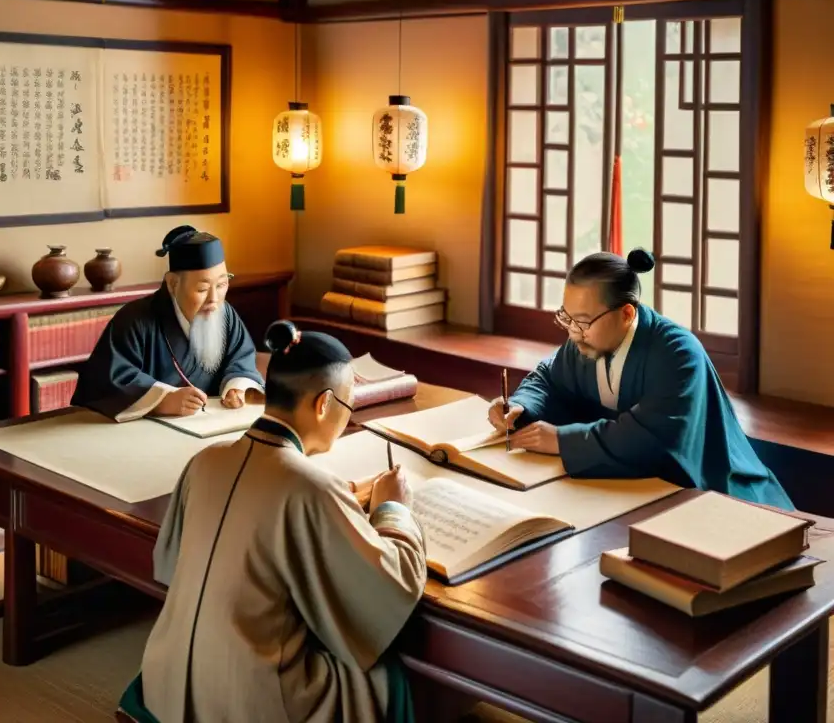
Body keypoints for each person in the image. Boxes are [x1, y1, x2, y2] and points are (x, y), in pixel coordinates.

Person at [117, 320, 426, 723]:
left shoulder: (205, 460)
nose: (347, 420)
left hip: (166, 678)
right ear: (324, 404)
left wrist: (337, 499)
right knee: (387, 675)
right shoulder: (312, 487)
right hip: (253, 700)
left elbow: (179, 563)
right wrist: (393, 510)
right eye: (349, 408)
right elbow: (391, 590)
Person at [488, 248, 793, 511]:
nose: (572, 332)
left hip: (718, 493)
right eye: (566, 318)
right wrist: (518, 406)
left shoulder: (678, 352)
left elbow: (653, 438)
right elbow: (548, 379)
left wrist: (562, 441)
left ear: (626, 313)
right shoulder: (584, 340)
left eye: (582, 321)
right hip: (627, 493)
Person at [71, 225, 264, 422]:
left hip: (208, 424)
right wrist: (163, 400)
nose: (214, 299)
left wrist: (237, 387)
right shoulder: (134, 320)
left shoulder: (225, 315)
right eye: (202, 289)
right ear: (173, 284)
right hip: (146, 433)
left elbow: (242, 359)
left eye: (222, 285)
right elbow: (108, 380)